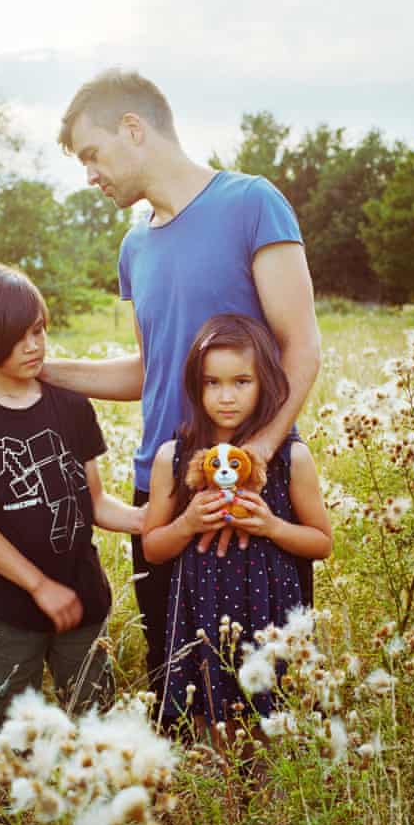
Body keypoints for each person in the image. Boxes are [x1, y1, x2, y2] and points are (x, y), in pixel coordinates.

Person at [44, 68, 322, 704]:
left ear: (134, 128)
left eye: (93, 153)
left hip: (252, 483)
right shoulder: (133, 245)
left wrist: (262, 457)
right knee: (179, 681)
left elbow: (302, 347)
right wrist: (45, 369)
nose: (90, 174)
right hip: (163, 487)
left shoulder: (253, 203)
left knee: (264, 688)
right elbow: (149, 373)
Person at [0, 263, 144, 727]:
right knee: (9, 717)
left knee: (94, 712)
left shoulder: (71, 406)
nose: (33, 346)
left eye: (37, 330)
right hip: (7, 607)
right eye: (16, 336)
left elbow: (95, 501)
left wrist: (146, 520)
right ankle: (7, 797)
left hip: (81, 592)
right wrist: (38, 586)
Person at [141, 314, 332, 733]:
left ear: (266, 382)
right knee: (212, 725)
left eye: (241, 382)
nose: (226, 397)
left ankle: (269, 799)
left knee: (272, 729)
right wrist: (187, 523)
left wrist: (271, 526)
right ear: (196, 385)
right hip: (201, 616)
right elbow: (152, 548)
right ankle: (224, 799)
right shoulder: (174, 457)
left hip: (271, 613)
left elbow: (322, 542)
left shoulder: (289, 459)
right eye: (212, 383)